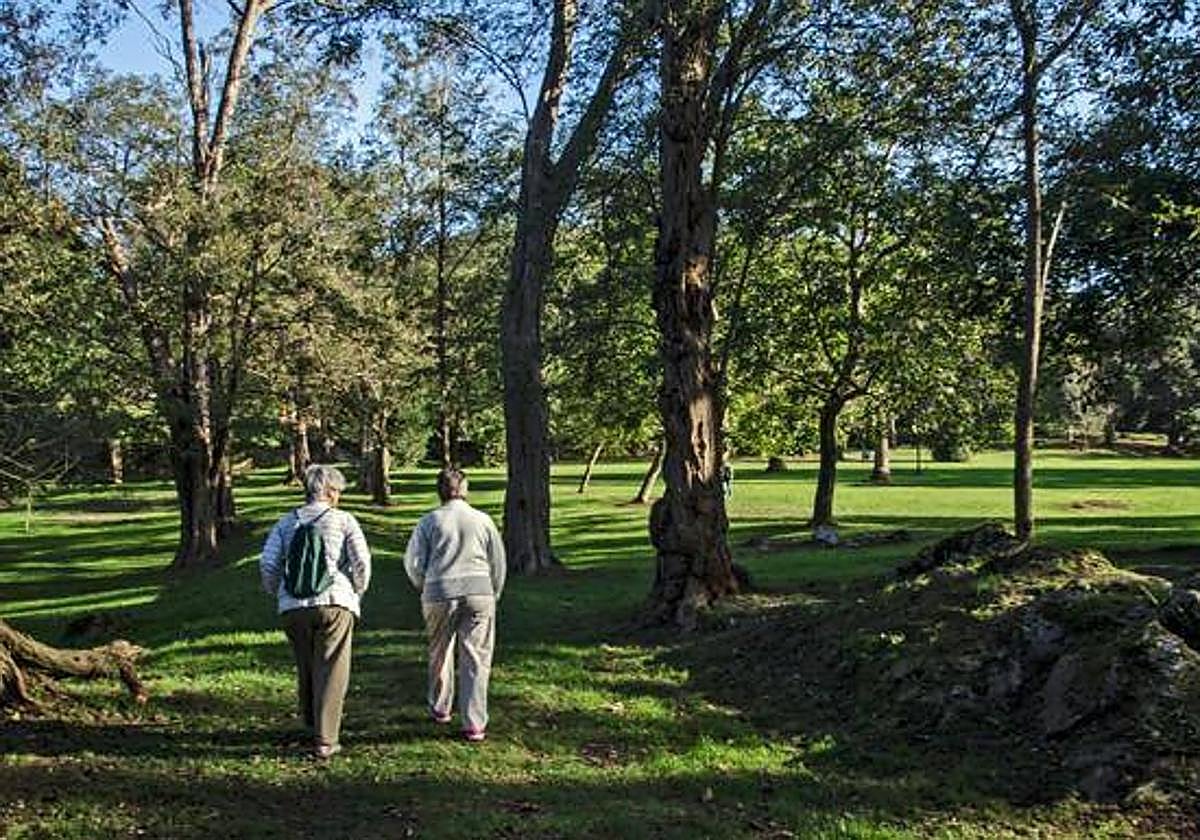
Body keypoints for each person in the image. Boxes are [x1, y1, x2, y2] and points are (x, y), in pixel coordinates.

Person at [260, 464, 371, 759]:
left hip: (293, 607)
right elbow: (361, 560)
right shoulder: (344, 520)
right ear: (330, 491)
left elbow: (268, 563)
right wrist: (356, 591)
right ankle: (326, 739)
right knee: (332, 669)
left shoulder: (285, 522)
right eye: (339, 492)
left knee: (307, 663)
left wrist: (278, 592)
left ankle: (310, 721)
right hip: (335, 602)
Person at [404, 467, 505, 742]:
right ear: (465, 489)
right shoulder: (483, 520)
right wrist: (494, 591)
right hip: (479, 591)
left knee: (439, 651)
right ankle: (474, 722)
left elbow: (413, 563)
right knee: (477, 657)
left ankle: (440, 706)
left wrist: (423, 585)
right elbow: (497, 561)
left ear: (439, 491)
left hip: (439, 591)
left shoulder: (429, 521)